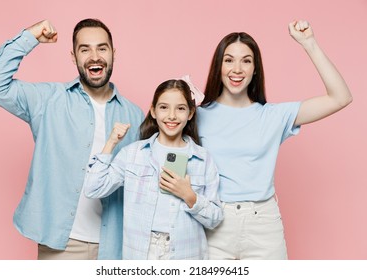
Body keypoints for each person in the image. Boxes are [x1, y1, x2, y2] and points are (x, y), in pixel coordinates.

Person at [0, 19, 144, 260]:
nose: (94, 56)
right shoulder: (48, 101)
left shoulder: (134, 115)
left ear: (113, 53)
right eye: (84, 49)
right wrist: (30, 36)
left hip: (115, 247)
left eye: (102, 48)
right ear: (73, 56)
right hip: (62, 246)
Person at [196, 20, 353, 260]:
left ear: (255, 68)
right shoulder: (195, 116)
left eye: (246, 61)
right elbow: (163, 147)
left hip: (263, 226)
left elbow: (341, 97)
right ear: (218, 66)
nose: (237, 68)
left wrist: (309, 43)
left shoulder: (274, 116)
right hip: (214, 223)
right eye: (229, 60)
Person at [83, 79, 223, 259]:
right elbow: (93, 188)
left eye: (180, 108)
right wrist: (111, 142)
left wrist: (190, 196)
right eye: (164, 107)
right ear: (153, 111)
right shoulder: (133, 154)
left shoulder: (203, 159)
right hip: (141, 252)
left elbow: (215, 219)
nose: (172, 116)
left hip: (185, 254)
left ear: (190, 113)